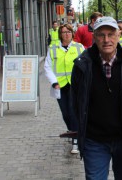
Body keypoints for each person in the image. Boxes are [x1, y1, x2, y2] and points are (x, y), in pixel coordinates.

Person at [71, 17, 122, 179]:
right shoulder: (82, 65)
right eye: (101, 35)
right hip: (94, 140)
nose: (106, 40)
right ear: (94, 37)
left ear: (118, 35)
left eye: (111, 34)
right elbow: (76, 100)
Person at [44, 23, 85, 154]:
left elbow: (86, 65)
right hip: (60, 85)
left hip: (76, 86)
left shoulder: (79, 47)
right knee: (66, 113)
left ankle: (76, 140)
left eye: (68, 32)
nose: (66, 34)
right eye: (63, 32)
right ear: (60, 34)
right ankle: (72, 131)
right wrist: (54, 82)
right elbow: (47, 67)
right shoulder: (53, 48)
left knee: (74, 112)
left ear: (72, 33)